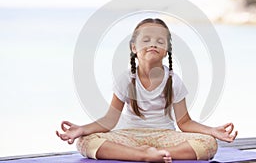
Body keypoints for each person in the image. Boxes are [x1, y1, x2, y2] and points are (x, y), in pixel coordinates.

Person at [56, 18, 237, 162]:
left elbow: (185, 123)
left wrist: (212, 131)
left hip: (165, 136)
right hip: (129, 136)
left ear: (167, 50)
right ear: (134, 47)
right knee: (86, 142)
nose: (153, 44)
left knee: (208, 144)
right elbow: (110, 120)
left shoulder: (174, 81)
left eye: (160, 41)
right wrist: (82, 129)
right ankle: (142, 155)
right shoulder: (126, 80)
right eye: (146, 40)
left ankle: (158, 153)